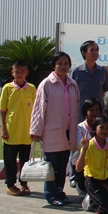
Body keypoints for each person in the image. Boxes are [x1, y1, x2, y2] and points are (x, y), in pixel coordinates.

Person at [30, 52, 80, 206]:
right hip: (52, 131)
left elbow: (76, 107)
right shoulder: (46, 84)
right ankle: (51, 195)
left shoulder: (73, 84)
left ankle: (59, 191)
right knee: (51, 166)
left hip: (68, 131)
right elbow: (39, 109)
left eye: (66, 63)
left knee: (62, 165)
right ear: (54, 66)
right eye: (60, 63)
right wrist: (36, 131)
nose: (63, 66)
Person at [0, 61, 36, 197]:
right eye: (17, 72)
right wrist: (3, 129)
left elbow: (36, 110)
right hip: (11, 132)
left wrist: (35, 129)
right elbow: (3, 110)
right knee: (10, 161)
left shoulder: (31, 88)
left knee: (25, 161)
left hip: (26, 132)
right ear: (12, 73)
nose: (19, 74)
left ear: (27, 73)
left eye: (22, 72)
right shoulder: (7, 88)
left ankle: (24, 184)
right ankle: (10, 185)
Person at [75, 115, 108, 214]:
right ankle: (92, 202)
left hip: (107, 180)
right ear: (95, 128)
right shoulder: (89, 145)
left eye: (107, 128)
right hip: (93, 181)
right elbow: (78, 169)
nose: (104, 131)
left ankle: (98, 199)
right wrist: (84, 150)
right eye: (101, 127)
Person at [70, 98, 101, 195]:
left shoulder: (103, 126)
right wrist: (91, 137)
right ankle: (80, 185)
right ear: (85, 112)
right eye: (91, 110)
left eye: (97, 110)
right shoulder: (80, 127)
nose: (95, 113)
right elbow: (77, 145)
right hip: (82, 160)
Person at [71, 40, 108, 111]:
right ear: (84, 53)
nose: (95, 53)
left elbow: (104, 91)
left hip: (99, 112)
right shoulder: (76, 72)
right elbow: (72, 93)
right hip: (82, 112)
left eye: (97, 50)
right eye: (91, 50)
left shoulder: (102, 71)